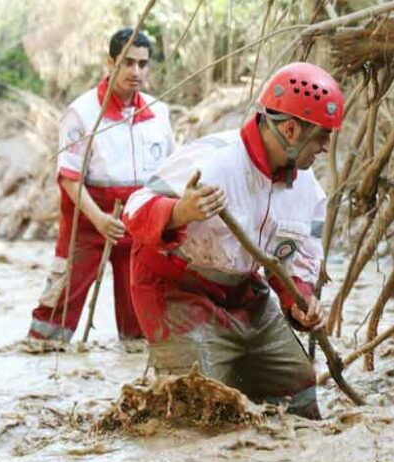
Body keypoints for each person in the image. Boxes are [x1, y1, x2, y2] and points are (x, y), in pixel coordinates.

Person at [123, 62, 343, 419]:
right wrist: (180, 211)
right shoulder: (212, 159)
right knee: (202, 403)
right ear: (290, 129)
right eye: (321, 136)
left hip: (241, 291)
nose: (325, 147)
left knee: (298, 386)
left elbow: (293, 264)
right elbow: (135, 208)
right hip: (176, 290)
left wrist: (300, 301)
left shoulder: (309, 192)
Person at [27, 28, 175, 342]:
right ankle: (40, 360)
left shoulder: (159, 113)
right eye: (128, 63)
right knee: (55, 315)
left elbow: (169, 175)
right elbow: (69, 177)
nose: (136, 72)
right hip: (87, 220)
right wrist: (100, 220)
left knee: (138, 322)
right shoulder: (82, 113)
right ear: (110, 62)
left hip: (137, 223)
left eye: (142, 64)